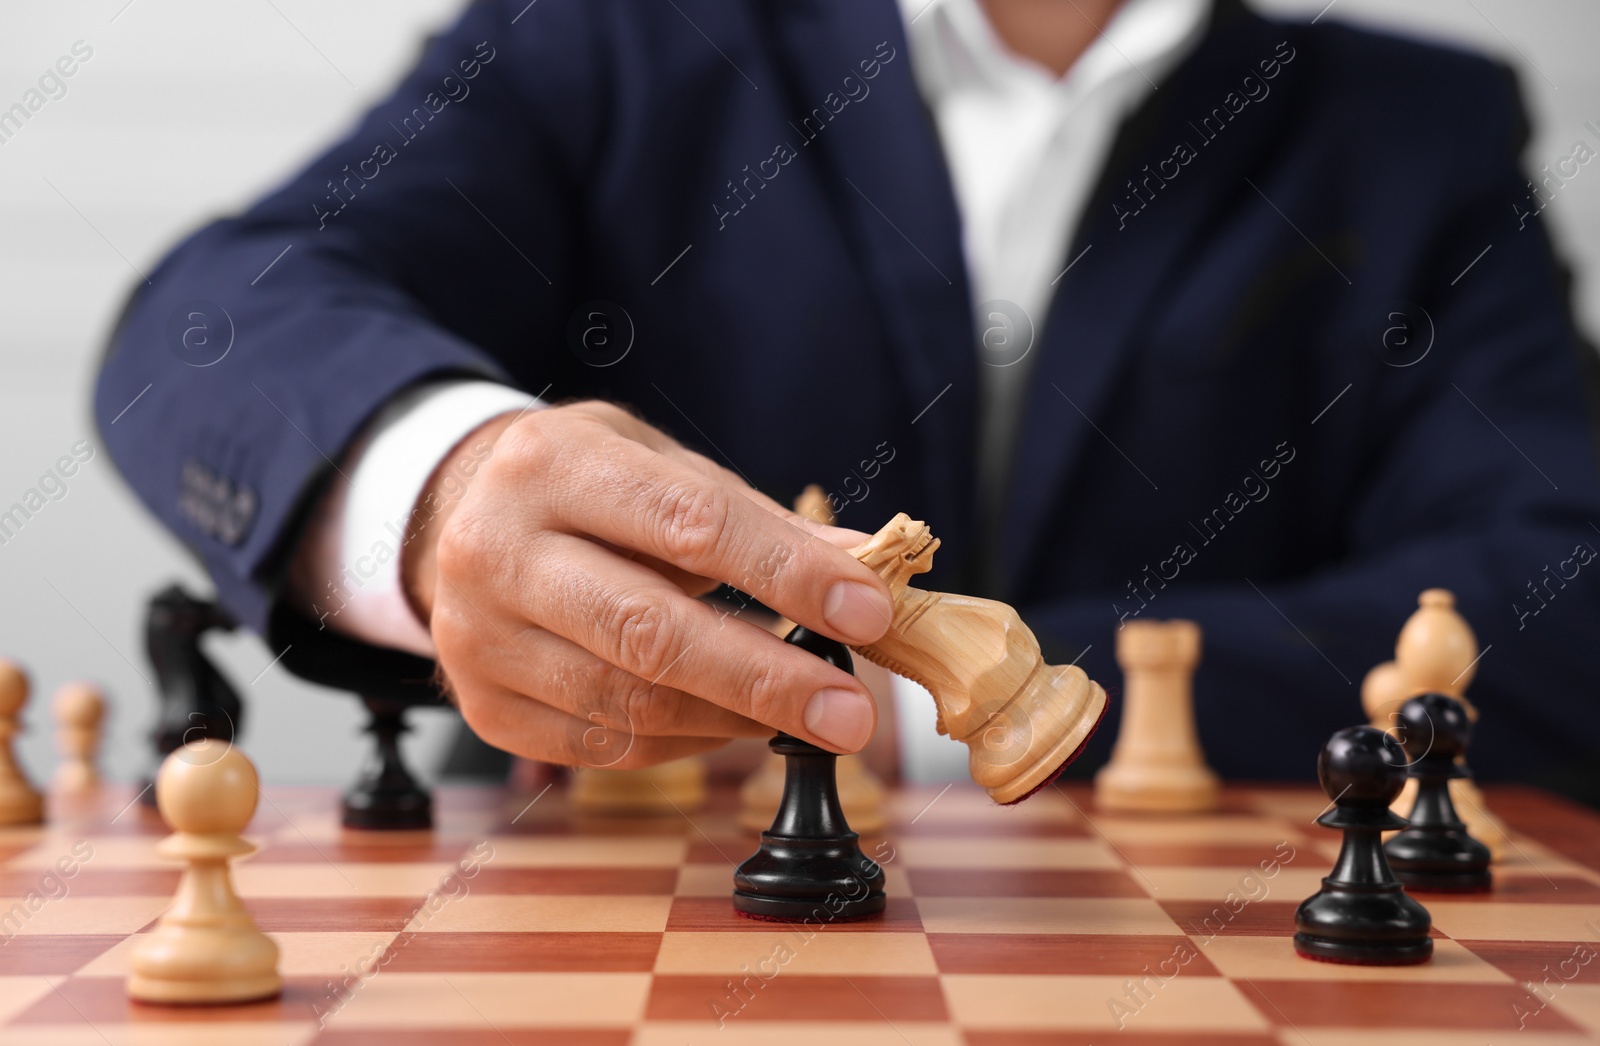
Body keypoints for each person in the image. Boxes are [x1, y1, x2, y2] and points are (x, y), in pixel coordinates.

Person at [95, 0, 1600, 795]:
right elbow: (203, 328)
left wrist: (936, 695)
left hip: (1198, 956)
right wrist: (437, 488)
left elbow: (1560, 590)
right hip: (611, 899)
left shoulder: (1417, 127)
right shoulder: (612, 32)